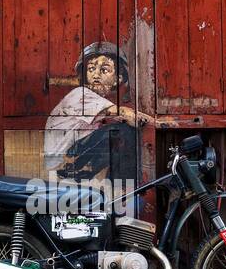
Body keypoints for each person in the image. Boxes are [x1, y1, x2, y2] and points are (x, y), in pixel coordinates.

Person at [44, 42, 152, 211]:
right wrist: (159, 123)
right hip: (63, 162)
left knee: (117, 134)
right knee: (123, 132)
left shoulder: (94, 103)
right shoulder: (81, 94)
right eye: (91, 68)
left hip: (73, 160)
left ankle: (119, 193)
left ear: (119, 78)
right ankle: (125, 194)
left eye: (104, 70)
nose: (95, 75)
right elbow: (125, 114)